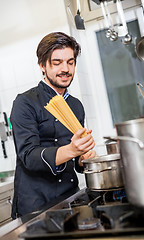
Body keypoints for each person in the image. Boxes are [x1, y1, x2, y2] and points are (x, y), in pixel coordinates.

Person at [10, 32, 96, 219]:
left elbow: (76, 162)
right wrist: (72, 150)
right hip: (36, 205)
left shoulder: (75, 105)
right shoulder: (25, 102)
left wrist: (83, 157)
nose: (65, 69)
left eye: (70, 62)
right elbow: (29, 156)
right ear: (42, 65)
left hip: (69, 197)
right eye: (57, 63)